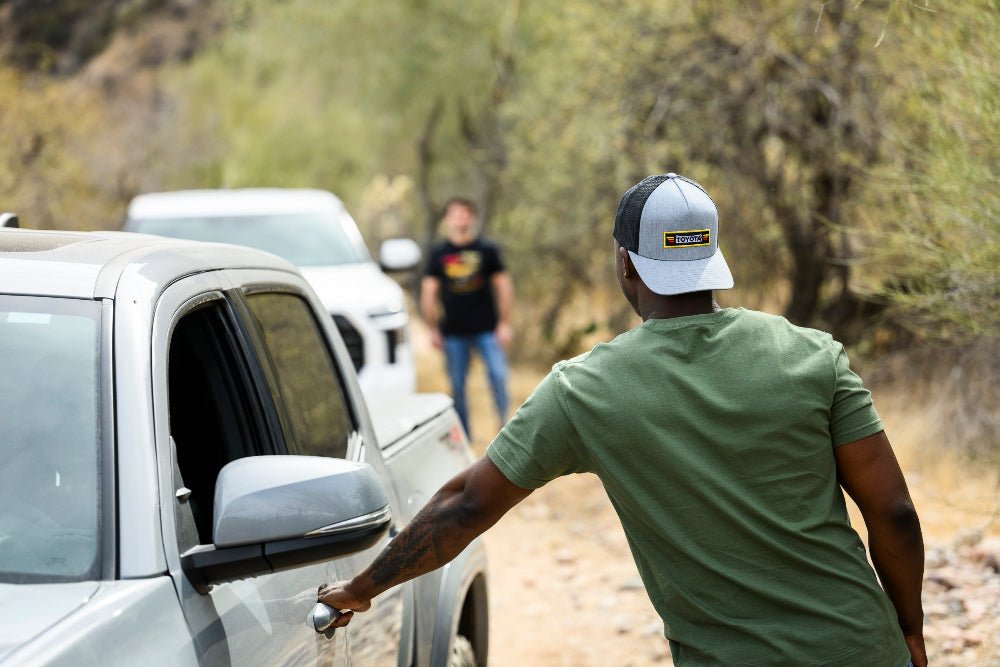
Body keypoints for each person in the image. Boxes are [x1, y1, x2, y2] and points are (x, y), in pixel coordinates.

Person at [320, 174, 925, 667]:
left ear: (627, 266)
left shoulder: (585, 390)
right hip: (863, 648)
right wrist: (910, 631)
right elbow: (893, 512)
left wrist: (361, 588)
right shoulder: (813, 354)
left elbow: (466, 506)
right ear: (711, 257)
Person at [420, 197, 513, 436]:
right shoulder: (438, 253)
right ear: (447, 219)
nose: (461, 219)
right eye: (456, 214)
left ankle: (506, 428)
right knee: (457, 386)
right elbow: (429, 292)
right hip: (453, 332)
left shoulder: (486, 250)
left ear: (471, 218)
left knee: (498, 376)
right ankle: (465, 435)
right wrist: (432, 329)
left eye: (465, 214)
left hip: (487, 329)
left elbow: (503, 286)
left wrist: (504, 324)